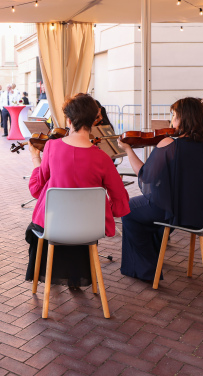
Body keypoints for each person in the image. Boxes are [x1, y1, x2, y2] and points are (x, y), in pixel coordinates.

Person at [118, 97, 203, 282]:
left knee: (129, 209)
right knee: (154, 205)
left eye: (173, 115)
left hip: (183, 214)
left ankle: (145, 269)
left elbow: (144, 175)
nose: (171, 121)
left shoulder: (170, 144)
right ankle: (154, 255)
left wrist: (128, 150)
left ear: (184, 118)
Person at [26, 93, 130, 288]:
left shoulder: (51, 147)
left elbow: (37, 189)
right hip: (89, 229)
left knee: (34, 229)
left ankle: (48, 277)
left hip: (54, 225)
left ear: (69, 120)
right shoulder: (103, 159)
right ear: (94, 121)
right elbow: (120, 200)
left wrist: (35, 158)